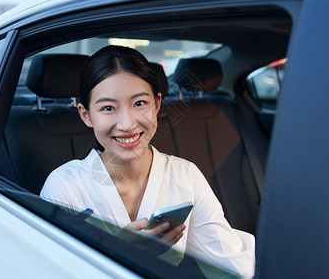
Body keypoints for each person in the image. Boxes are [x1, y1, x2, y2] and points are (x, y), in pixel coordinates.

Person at [40, 45, 255, 277]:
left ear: (157, 104)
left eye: (140, 103)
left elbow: (231, 266)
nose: (127, 124)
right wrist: (116, 252)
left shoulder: (185, 175)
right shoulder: (65, 187)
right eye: (108, 108)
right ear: (86, 115)